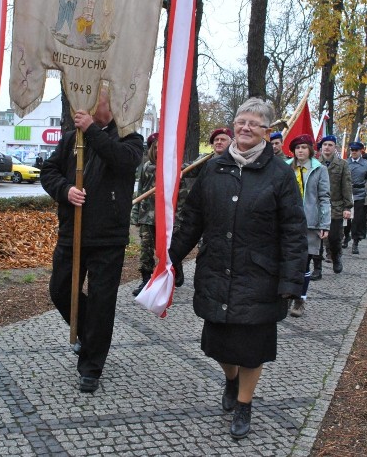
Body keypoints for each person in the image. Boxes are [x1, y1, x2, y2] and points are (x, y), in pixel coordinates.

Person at [168, 97, 306, 440]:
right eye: (240, 121)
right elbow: (192, 220)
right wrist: (169, 259)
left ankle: (244, 403)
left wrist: (291, 281)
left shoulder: (281, 174)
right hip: (217, 269)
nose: (245, 128)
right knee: (217, 346)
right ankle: (231, 379)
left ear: (267, 131)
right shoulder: (213, 169)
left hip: (260, 275)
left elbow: (293, 230)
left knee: (252, 347)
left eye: (254, 123)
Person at [40, 88, 144, 393]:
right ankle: (90, 333)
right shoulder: (73, 138)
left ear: (108, 103)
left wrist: (92, 131)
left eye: (94, 99)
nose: (83, 106)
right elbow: (49, 170)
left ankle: (91, 366)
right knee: (59, 290)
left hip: (107, 236)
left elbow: (122, 161)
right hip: (72, 231)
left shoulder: (129, 136)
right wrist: (65, 189)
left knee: (101, 302)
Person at [286, 134, 330, 317]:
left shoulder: (319, 169)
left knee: (304, 263)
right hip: (287, 222)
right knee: (287, 262)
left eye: (304, 147)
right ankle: (286, 295)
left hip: (309, 223)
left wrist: (324, 223)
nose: (300, 151)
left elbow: (324, 197)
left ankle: (299, 299)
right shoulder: (286, 167)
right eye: (297, 148)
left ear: (310, 150)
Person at [317, 135, 352, 274]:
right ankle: (317, 268)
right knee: (317, 238)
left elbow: (347, 186)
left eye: (330, 145)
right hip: (318, 206)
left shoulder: (342, 164)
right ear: (321, 147)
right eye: (325, 144)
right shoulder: (315, 162)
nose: (327, 147)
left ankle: (336, 257)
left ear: (335, 147)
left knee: (335, 237)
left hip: (335, 206)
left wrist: (347, 207)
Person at [130, 132, 159, 297]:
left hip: (166, 217)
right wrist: (135, 215)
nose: (157, 151)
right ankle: (146, 279)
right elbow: (140, 190)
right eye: (155, 148)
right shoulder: (146, 167)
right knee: (146, 249)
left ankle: (175, 270)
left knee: (168, 249)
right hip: (147, 215)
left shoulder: (173, 166)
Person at [344, 142, 367, 255]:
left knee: (358, 220)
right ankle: (346, 237)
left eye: (356, 150)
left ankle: (356, 242)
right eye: (352, 150)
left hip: (359, 195)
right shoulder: (344, 163)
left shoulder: (366, 165)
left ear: (361, 151)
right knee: (346, 219)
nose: (354, 152)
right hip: (346, 195)